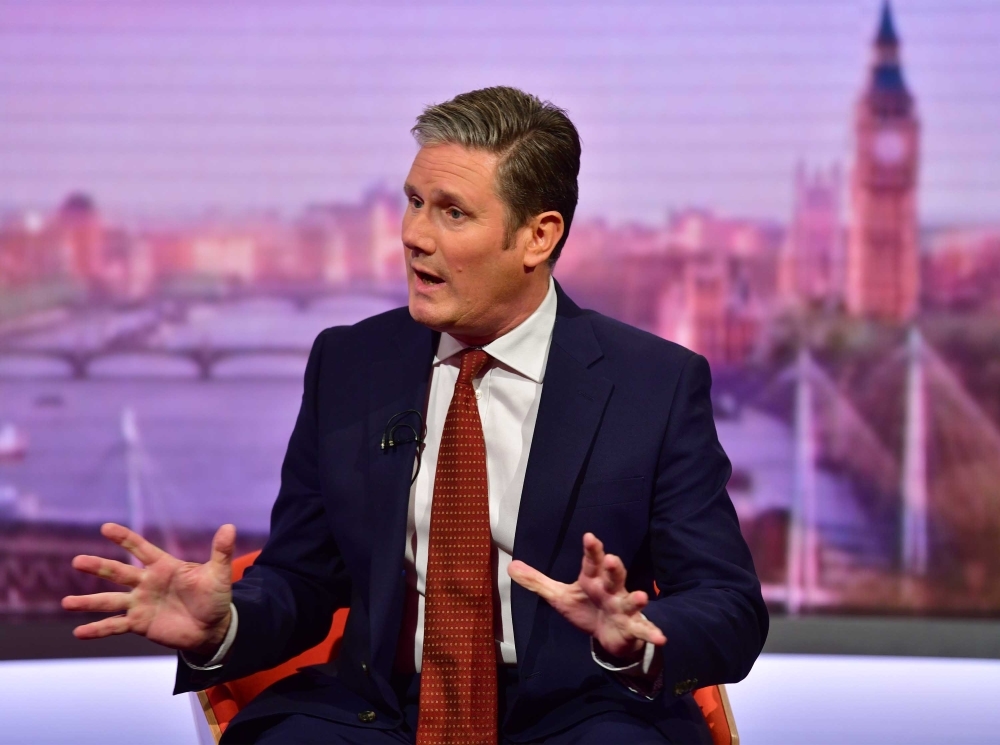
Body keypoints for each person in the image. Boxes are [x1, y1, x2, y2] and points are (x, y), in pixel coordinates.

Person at [64, 86, 767, 744]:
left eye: (451, 212)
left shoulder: (654, 383)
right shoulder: (350, 363)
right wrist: (225, 623)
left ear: (537, 236)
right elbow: (304, 578)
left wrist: (635, 637)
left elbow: (729, 603)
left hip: (581, 707)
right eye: (413, 202)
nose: (413, 236)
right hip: (380, 707)